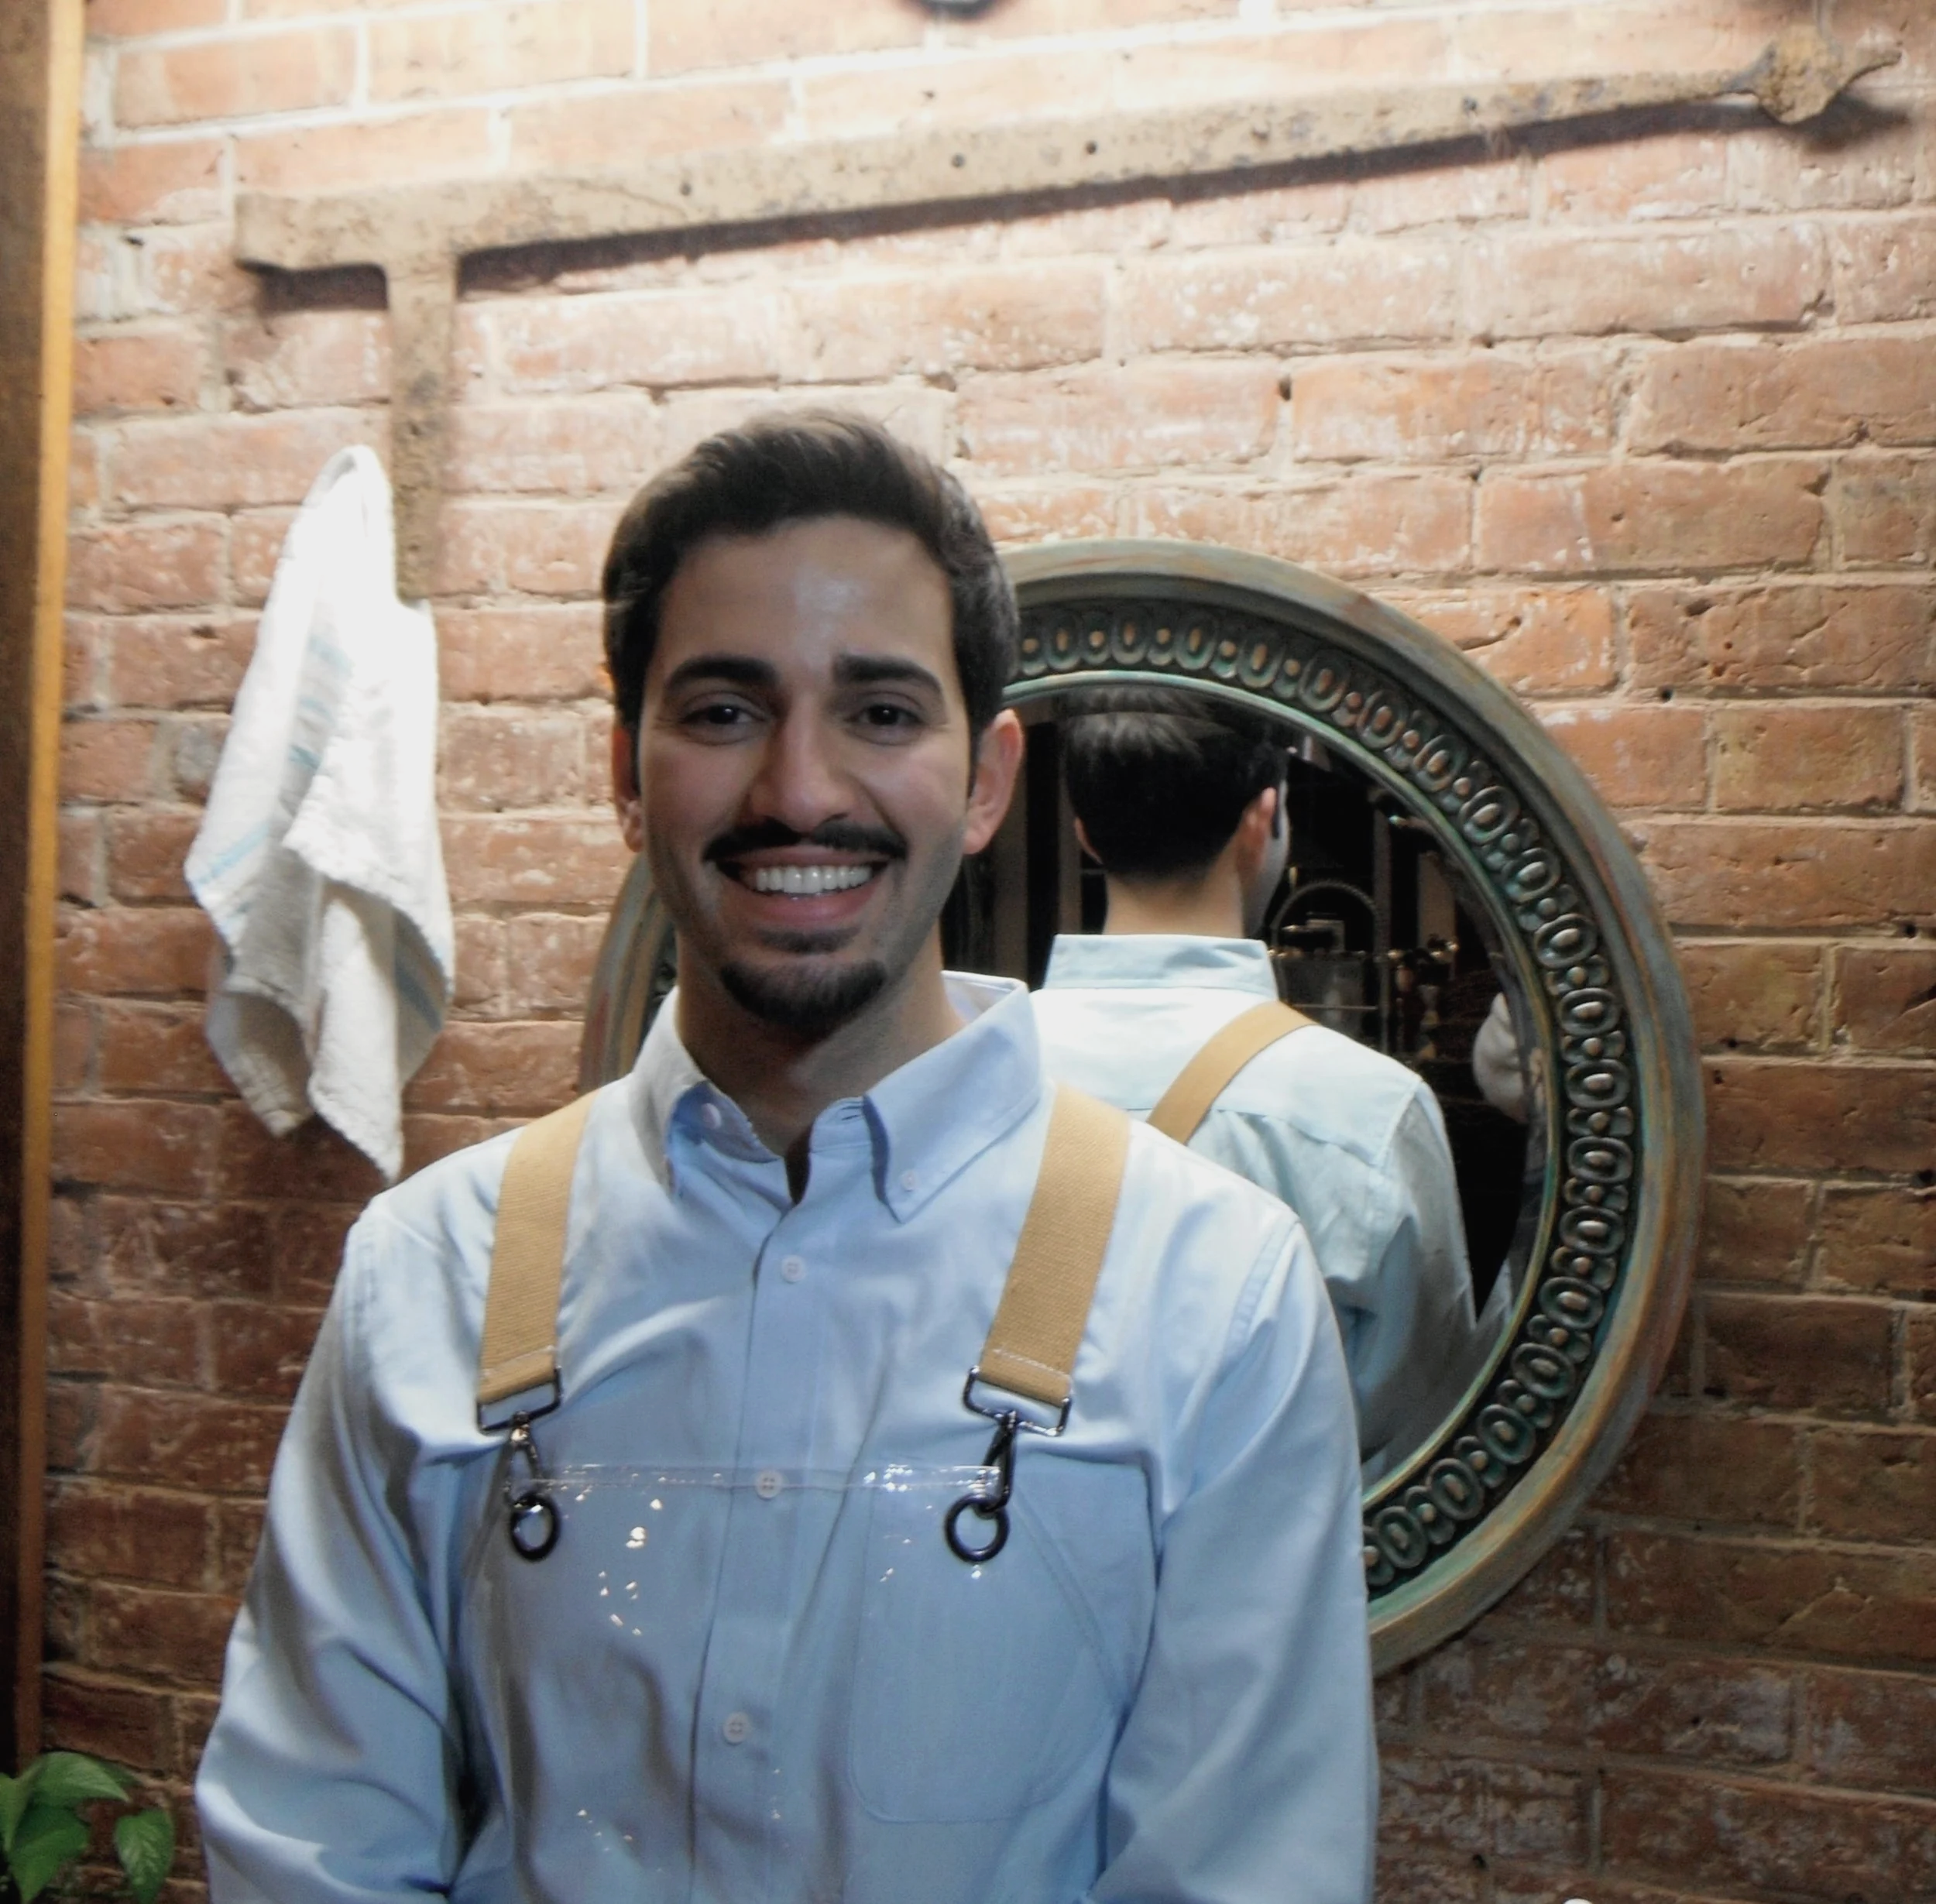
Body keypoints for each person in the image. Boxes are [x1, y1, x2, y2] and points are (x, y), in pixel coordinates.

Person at [195, 416, 1376, 1903]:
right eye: (722, 710)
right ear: (627, 774)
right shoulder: (428, 1270)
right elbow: (311, 1847)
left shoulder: (1215, 1290)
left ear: (987, 776)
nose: (800, 789)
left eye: (880, 710)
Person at [1033, 691, 1489, 1483]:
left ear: (1086, 834)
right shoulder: (1370, 1109)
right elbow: (1425, 1428)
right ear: (1263, 818)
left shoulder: (959, 1072)